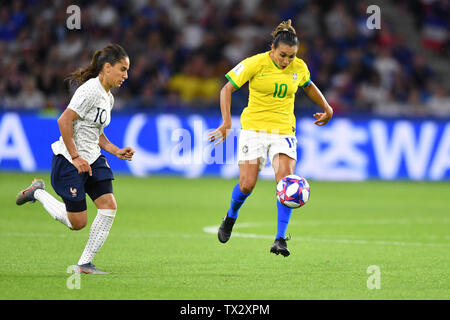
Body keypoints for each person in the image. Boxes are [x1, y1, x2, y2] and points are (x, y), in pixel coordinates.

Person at [209, 20, 333, 257]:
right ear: (272, 49)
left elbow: (308, 86)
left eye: (292, 56)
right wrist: (226, 122)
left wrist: (327, 107)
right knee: (247, 185)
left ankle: (280, 239)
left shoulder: (299, 67)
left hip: (284, 131)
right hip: (253, 130)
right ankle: (231, 216)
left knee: (285, 182)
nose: (287, 61)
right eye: (283, 55)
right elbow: (226, 89)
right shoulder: (255, 63)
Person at [15, 43, 135, 273]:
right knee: (77, 223)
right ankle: (36, 192)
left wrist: (116, 150)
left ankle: (84, 264)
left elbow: (96, 133)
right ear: (107, 67)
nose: (126, 75)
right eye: (122, 69)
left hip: (92, 157)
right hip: (70, 160)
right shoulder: (90, 90)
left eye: (127, 70)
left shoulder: (108, 98)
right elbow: (64, 120)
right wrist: (76, 156)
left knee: (109, 206)